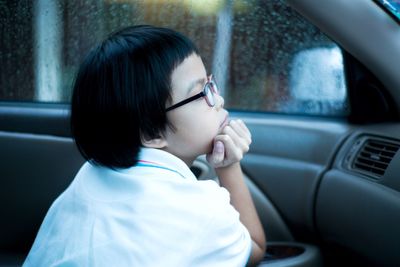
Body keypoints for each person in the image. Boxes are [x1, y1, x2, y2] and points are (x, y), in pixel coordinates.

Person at [23, 25, 266, 267]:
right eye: (202, 92)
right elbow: (255, 248)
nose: (219, 99)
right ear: (151, 132)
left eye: (210, 84)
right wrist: (229, 166)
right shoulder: (200, 208)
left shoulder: (87, 177)